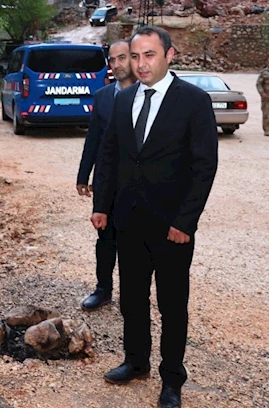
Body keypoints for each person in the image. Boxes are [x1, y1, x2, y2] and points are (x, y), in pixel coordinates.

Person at [91, 26, 218, 408]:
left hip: (171, 228)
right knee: (132, 299)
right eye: (135, 56)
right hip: (128, 222)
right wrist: (101, 205)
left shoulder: (193, 101)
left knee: (172, 305)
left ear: (169, 55)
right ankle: (136, 361)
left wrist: (185, 222)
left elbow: (204, 166)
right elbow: (109, 156)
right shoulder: (123, 99)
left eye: (149, 55)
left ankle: (172, 379)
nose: (141, 64)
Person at [76, 39, 136, 310]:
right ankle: (103, 289)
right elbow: (93, 139)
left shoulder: (147, 95)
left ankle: (133, 295)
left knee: (134, 242)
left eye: (122, 58)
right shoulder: (102, 96)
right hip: (106, 181)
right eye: (112, 60)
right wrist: (83, 175)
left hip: (137, 183)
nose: (116, 65)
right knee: (105, 239)